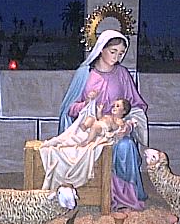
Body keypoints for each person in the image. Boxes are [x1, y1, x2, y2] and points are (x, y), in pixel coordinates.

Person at [59, 29, 149, 211]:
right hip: (89, 129)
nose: (117, 57)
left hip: (115, 130)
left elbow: (135, 106)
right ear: (101, 49)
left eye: (121, 53)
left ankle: (123, 196)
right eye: (113, 51)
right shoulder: (85, 74)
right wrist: (87, 105)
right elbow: (69, 107)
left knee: (126, 147)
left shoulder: (122, 74)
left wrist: (129, 126)